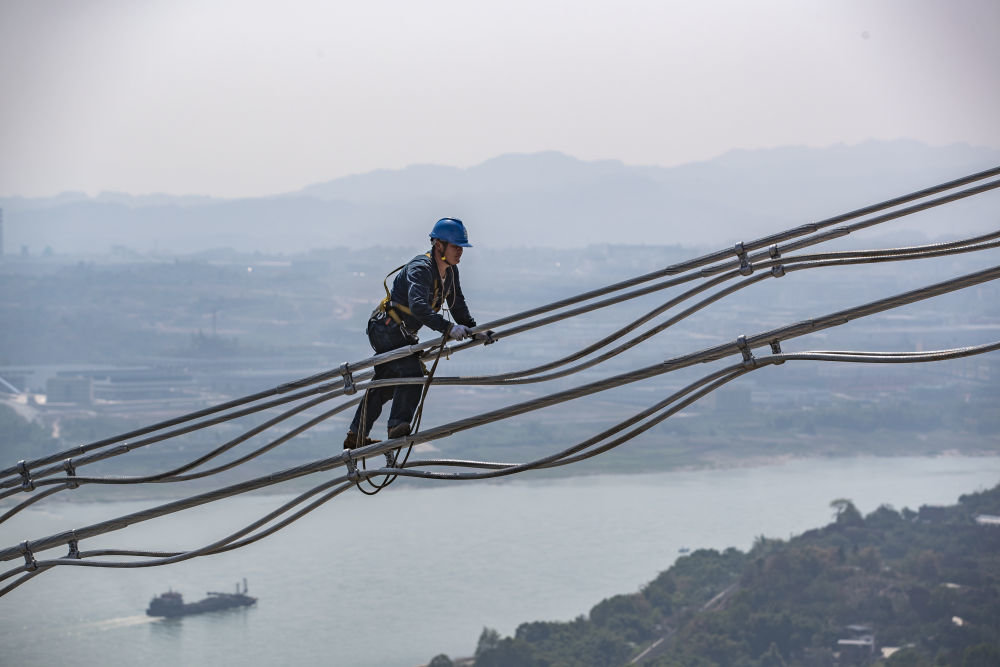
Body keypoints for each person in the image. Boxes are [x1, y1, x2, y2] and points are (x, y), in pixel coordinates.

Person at [344, 217, 489, 449]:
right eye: (455, 246)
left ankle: (356, 435)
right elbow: (419, 305)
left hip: (399, 332)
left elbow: (457, 304)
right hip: (386, 328)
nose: (460, 252)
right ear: (438, 245)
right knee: (410, 372)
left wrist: (474, 331)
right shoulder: (420, 269)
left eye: (461, 247)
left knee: (385, 383)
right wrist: (449, 328)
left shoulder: (450, 273)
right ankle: (397, 425)